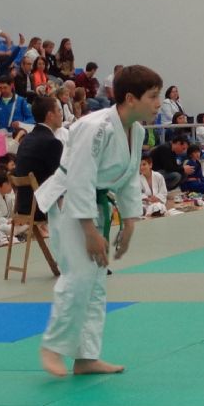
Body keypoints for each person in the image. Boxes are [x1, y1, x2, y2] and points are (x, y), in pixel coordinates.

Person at [36, 65, 163, 377]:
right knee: (78, 275)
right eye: (153, 96)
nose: (158, 103)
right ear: (130, 98)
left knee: (95, 282)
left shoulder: (135, 130)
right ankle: (53, 346)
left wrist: (130, 222)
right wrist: (89, 229)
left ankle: (86, 357)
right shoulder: (95, 127)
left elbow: (129, 178)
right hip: (70, 201)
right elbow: (80, 177)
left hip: (96, 202)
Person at [13, 96, 65, 223]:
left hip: (23, 205)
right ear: (50, 115)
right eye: (59, 110)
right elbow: (58, 180)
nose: (61, 114)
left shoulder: (26, 140)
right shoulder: (52, 143)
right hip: (41, 207)